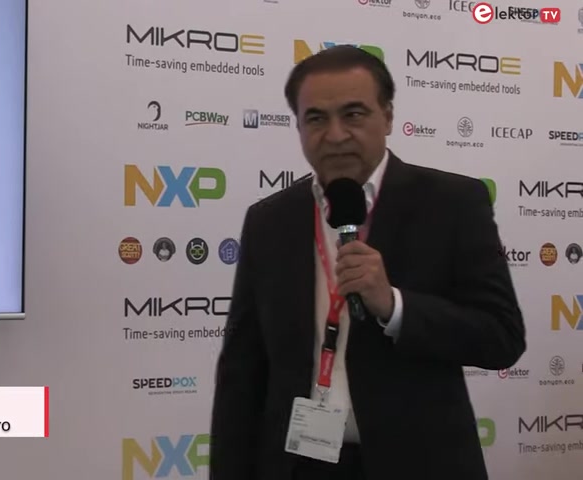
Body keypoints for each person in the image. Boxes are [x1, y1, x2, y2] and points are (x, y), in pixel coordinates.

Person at [209, 45, 526, 480]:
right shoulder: (270, 220)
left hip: (420, 464)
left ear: (388, 117)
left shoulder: (453, 204)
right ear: (298, 126)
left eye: (354, 114)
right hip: (299, 466)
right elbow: (242, 370)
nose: (336, 134)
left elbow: (501, 337)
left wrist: (395, 306)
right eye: (316, 118)